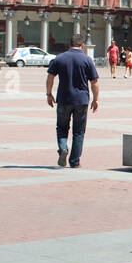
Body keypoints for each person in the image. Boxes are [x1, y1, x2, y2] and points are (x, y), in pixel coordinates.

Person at [46, 32, 100, 169]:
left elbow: (50, 77)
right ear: (82, 45)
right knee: (79, 132)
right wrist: (96, 99)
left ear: (69, 44)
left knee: (62, 128)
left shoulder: (59, 58)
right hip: (81, 100)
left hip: (63, 99)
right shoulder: (87, 60)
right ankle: (74, 161)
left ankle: (63, 148)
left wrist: (49, 94)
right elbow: (94, 82)